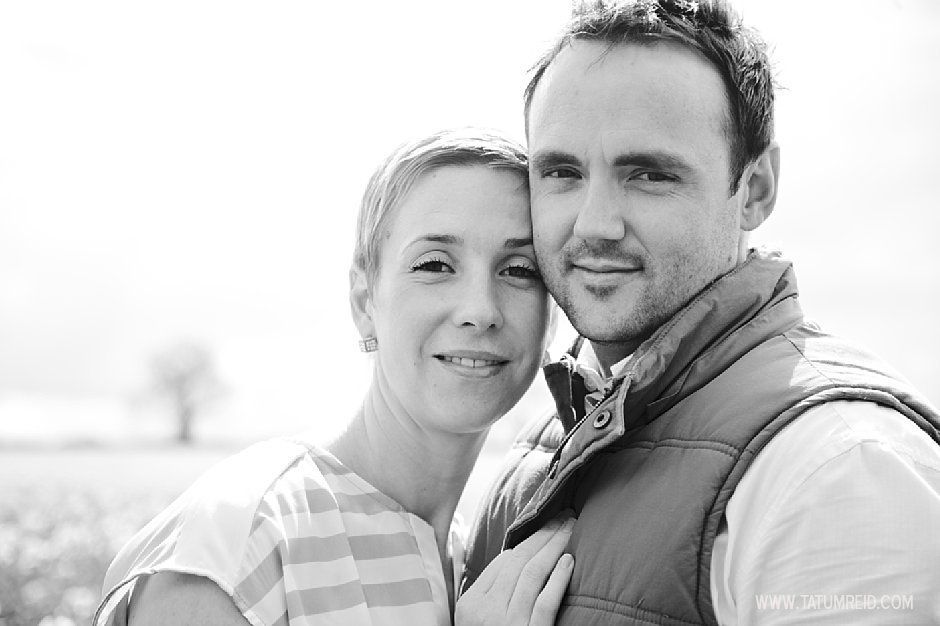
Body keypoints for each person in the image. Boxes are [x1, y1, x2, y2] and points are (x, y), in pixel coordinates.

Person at [461, 1, 940, 624]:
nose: (595, 224)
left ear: (756, 188)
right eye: (561, 171)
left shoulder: (838, 470)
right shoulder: (542, 446)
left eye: (650, 174)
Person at [94, 129, 575, 626]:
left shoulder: (475, 555)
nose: (481, 310)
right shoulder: (243, 544)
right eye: (434, 264)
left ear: (553, 312)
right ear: (365, 302)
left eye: (520, 269)